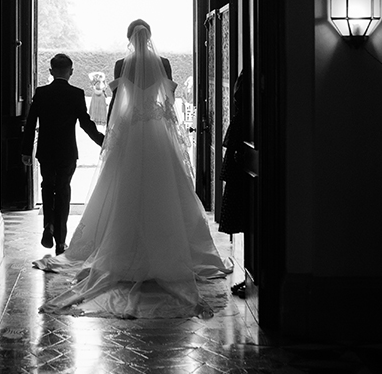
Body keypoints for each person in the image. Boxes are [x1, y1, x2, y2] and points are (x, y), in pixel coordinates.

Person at [34, 23, 232, 319]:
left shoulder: (120, 64)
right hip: (157, 135)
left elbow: (117, 103)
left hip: (129, 132)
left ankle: (122, 249)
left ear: (129, 38)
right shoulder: (163, 64)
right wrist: (176, 138)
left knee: (122, 191)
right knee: (163, 191)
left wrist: (110, 137)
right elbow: (168, 105)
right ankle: (166, 250)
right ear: (150, 37)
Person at [22, 53, 104, 255]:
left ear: (51, 71)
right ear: (71, 72)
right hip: (67, 151)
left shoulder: (41, 93)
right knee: (64, 190)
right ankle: (60, 241)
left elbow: (31, 123)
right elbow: (85, 123)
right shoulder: (76, 94)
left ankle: (48, 224)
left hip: (46, 151)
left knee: (47, 186)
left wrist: (26, 151)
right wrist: (103, 141)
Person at [219, 75, 248, 298]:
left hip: (242, 141)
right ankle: (250, 275)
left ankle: (250, 276)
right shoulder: (248, 74)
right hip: (242, 141)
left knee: (242, 202)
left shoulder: (247, 76)